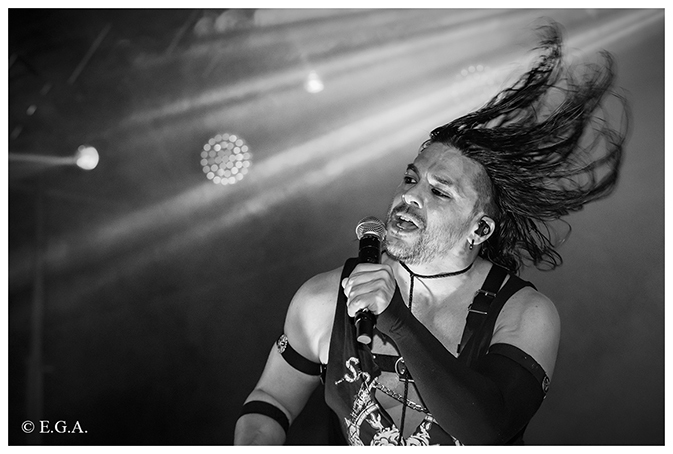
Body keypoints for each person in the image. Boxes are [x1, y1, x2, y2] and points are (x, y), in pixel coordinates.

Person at [233, 22, 628, 446]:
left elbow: (489, 430)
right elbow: (271, 400)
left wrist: (398, 321)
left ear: (479, 229)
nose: (410, 196)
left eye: (439, 191)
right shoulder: (324, 298)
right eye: (410, 179)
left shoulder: (525, 313)